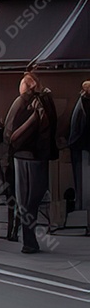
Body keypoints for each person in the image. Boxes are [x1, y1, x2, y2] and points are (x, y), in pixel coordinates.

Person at [4, 72, 58, 253]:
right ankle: (29, 239)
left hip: (22, 155)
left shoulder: (20, 102)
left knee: (24, 199)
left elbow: (8, 132)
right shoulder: (46, 101)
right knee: (34, 197)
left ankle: (28, 240)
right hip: (39, 156)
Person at [69, 81, 90, 216]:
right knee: (84, 185)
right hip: (83, 148)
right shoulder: (85, 105)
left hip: (80, 147)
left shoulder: (82, 103)